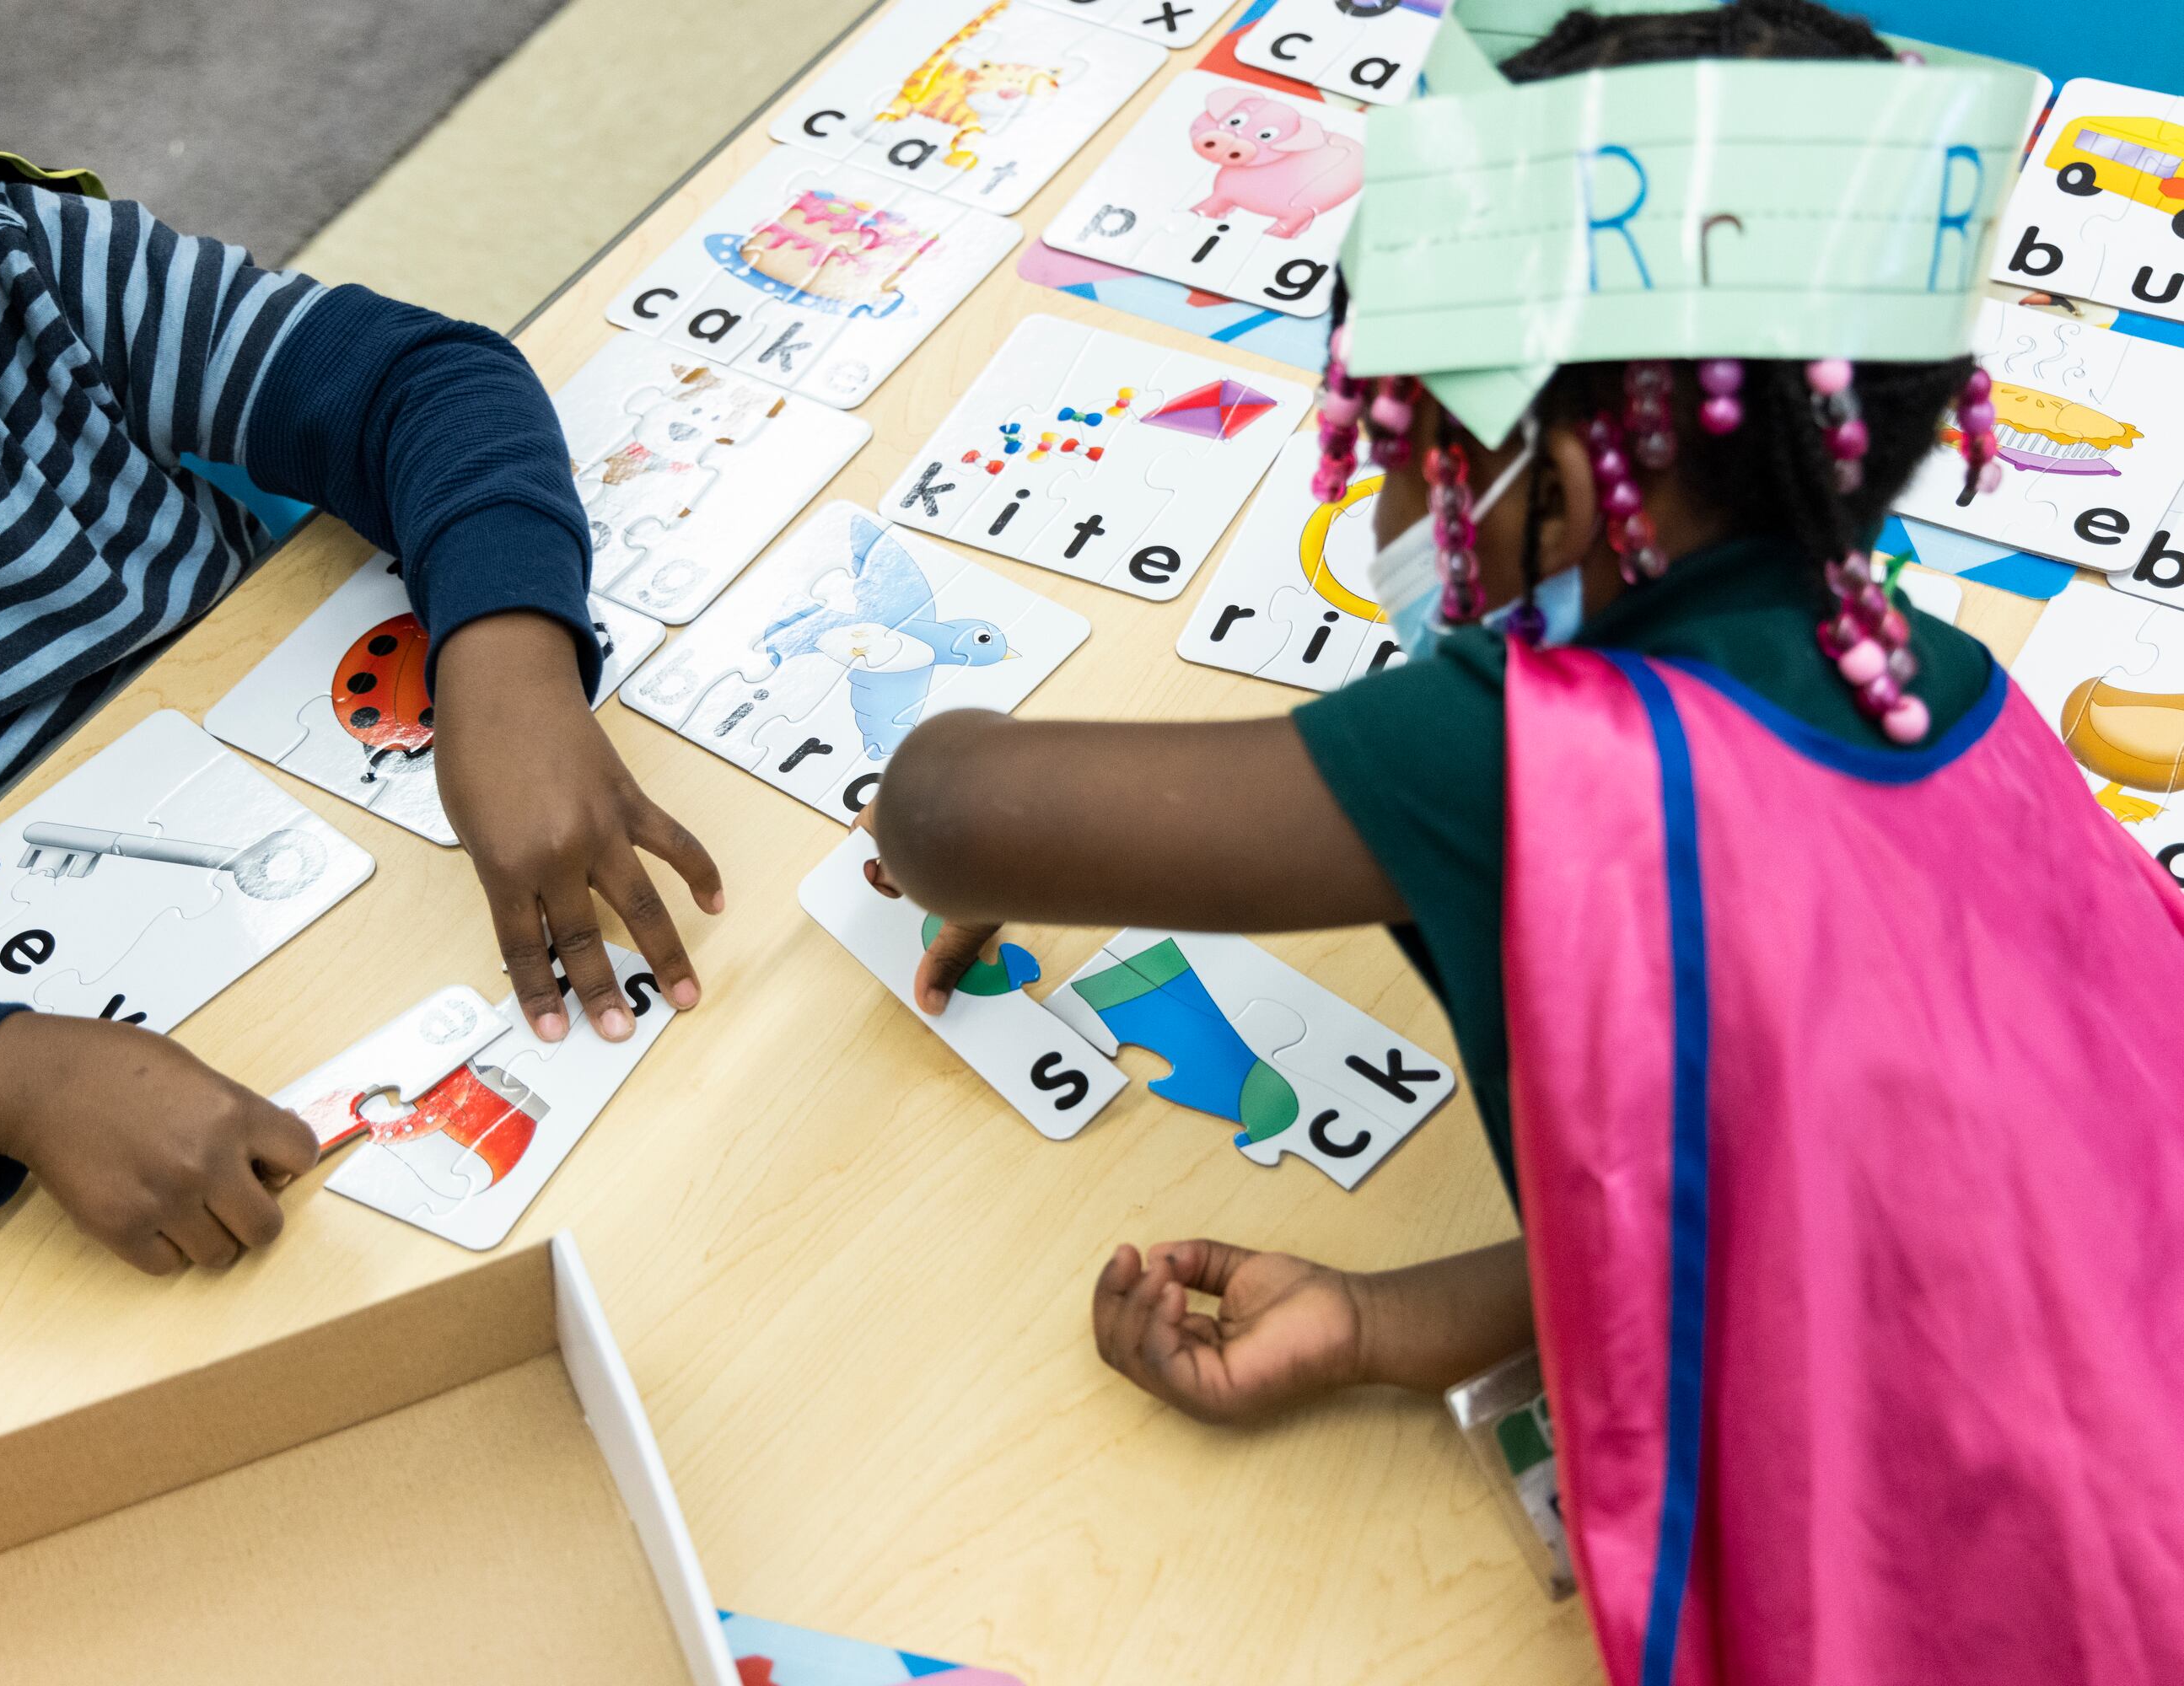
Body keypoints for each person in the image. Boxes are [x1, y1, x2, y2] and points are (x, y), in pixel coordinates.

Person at [866, 2, 2184, 1676]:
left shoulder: (1526, 751)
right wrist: (1390, 1321)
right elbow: (1827, 1201)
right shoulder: (1953, 697)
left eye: (1416, 456)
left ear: (1559, 485)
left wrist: (960, 843)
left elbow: (952, 808)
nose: (1401, 522)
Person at [0, 0, 721, 1275]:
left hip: (338, 872)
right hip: (8, 1077)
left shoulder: (43, 265)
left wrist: (509, 658)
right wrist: (0, 1081)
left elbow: (423, 386)